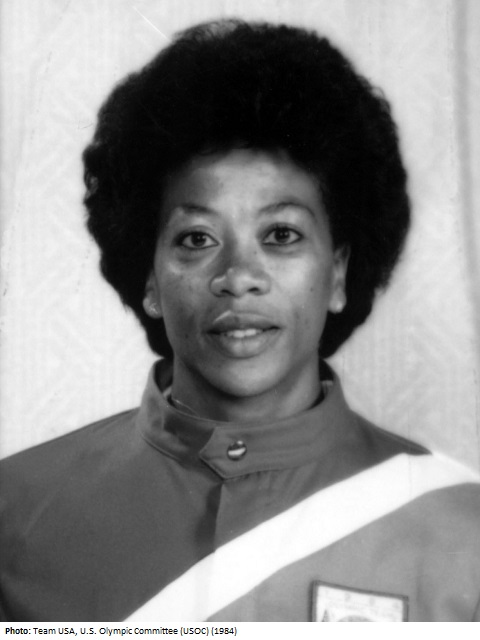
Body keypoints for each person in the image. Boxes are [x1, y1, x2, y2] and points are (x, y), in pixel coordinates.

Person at [1, 19, 479, 623]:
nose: (239, 275)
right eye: (197, 238)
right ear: (148, 279)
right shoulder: (16, 514)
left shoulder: (462, 534)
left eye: (281, 234)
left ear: (337, 273)